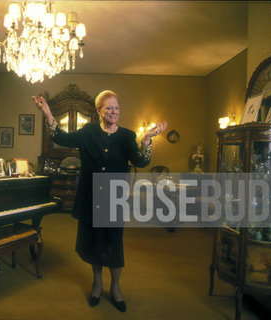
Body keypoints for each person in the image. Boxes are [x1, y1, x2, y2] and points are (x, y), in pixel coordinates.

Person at [32, 90, 167, 312]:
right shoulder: (88, 132)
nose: (113, 111)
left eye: (116, 107)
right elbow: (60, 137)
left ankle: (115, 287)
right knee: (94, 244)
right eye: (108, 107)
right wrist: (47, 114)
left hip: (115, 199)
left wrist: (147, 140)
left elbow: (141, 161)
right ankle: (97, 283)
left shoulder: (126, 136)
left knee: (114, 245)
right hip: (90, 198)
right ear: (98, 111)